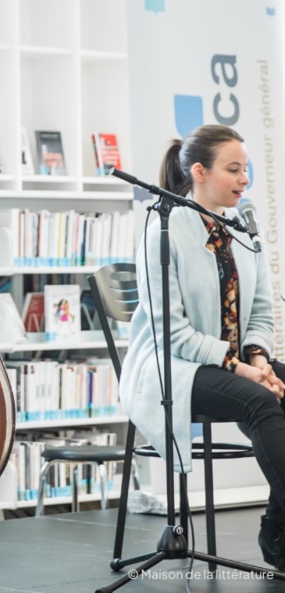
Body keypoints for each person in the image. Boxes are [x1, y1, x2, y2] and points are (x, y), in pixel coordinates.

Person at [119, 124, 285, 570]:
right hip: (175, 366)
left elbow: (262, 311)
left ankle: (278, 533)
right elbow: (172, 333)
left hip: (235, 363)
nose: (244, 179)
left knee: (275, 388)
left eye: (246, 169)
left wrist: (258, 357)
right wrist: (243, 370)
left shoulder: (243, 231)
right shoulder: (164, 232)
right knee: (260, 402)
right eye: (233, 169)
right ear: (199, 172)